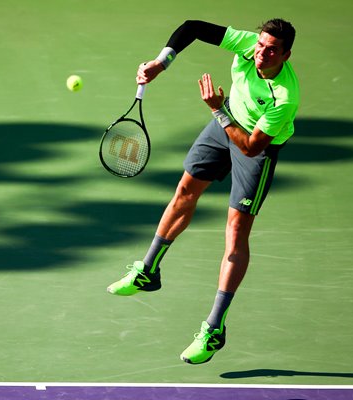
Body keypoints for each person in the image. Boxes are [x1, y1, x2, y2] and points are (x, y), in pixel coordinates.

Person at [106, 19, 299, 364]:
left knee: (236, 230)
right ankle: (148, 271)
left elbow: (252, 148)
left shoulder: (284, 97)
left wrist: (217, 110)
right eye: (261, 44)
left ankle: (214, 329)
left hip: (255, 146)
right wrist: (161, 63)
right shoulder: (248, 45)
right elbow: (192, 27)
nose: (261, 52)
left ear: (286, 55)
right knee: (184, 190)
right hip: (224, 123)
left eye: (271, 49)